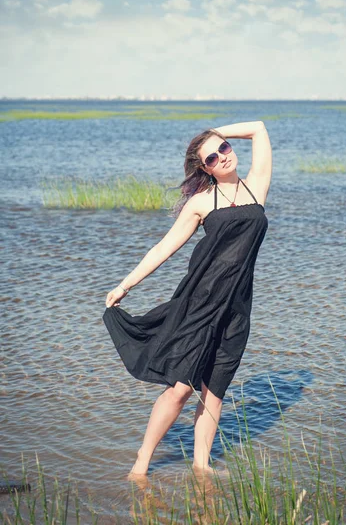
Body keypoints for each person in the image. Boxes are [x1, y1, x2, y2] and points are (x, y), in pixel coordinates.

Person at [103, 120, 272, 478]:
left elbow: (258, 128)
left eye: (223, 148)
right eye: (211, 157)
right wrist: (125, 285)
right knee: (180, 389)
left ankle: (201, 466)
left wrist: (214, 131)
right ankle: (142, 463)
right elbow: (164, 248)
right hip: (199, 304)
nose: (222, 157)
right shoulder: (201, 202)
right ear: (204, 168)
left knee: (215, 393)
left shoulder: (257, 186)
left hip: (238, 308)